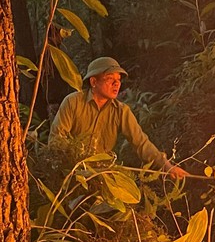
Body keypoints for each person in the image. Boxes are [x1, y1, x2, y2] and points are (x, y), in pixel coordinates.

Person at [49, 57, 189, 179]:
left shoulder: (121, 111)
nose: (116, 84)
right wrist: (73, 162)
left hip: (102, 175)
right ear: (93, 82)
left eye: (118, 80)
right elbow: (56, 138)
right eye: (110, 79)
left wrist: (167, 166)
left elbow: (141, 143)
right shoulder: (73, 102)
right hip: (72, 173)